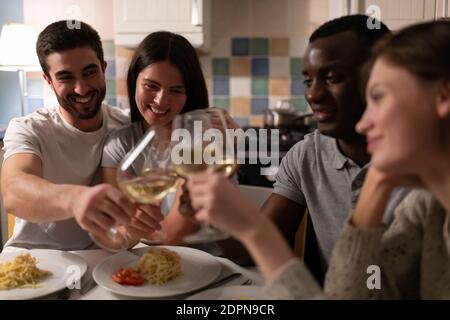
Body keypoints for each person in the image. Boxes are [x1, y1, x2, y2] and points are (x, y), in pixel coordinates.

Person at [187, 20, 450, 299]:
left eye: (379, 96)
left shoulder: (421, 184)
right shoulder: (410, 189)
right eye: (308, 80)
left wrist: (253, 229)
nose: (312, 95)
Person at [222, 15, 407, 282]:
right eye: (308, 81)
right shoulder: (307, 155)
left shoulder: (423, 160)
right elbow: (253, 250)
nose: (313, 95)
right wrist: (213, 214)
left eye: (331, 77)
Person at [1, 20, 161, 251]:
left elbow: (179, 139)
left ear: (103, 68)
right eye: (66, 77)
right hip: (33, 259)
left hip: (103, 260)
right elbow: (14, 191)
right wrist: (76, 199)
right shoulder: (28, 128)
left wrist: (217, 130)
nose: (81, 89)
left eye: (90, 72)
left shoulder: (127, 126)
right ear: (48, 81)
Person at [102, 31, 235, 246]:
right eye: (151, 86)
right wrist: (126, 230)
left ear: (188, 94)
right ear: (134, 80)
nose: (161, 100)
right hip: (145, 267)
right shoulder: (118, 144)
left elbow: (174, 236)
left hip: (212, 265)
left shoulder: (204, 140)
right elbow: (115, 233)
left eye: (175, 90)